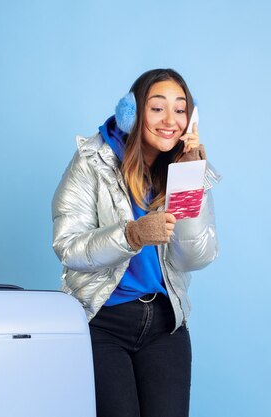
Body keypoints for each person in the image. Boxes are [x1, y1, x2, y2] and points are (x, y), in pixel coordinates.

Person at [51, 68, 220, 417]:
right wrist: (132, 235)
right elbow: (68, 246)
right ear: (133, 113)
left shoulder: (183, 168)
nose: (170, 120)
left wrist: (190, 181)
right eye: (157, 108)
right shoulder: (92, 162)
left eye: (180, 109)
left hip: (164, 324)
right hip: (104, 323)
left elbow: (194, 257)